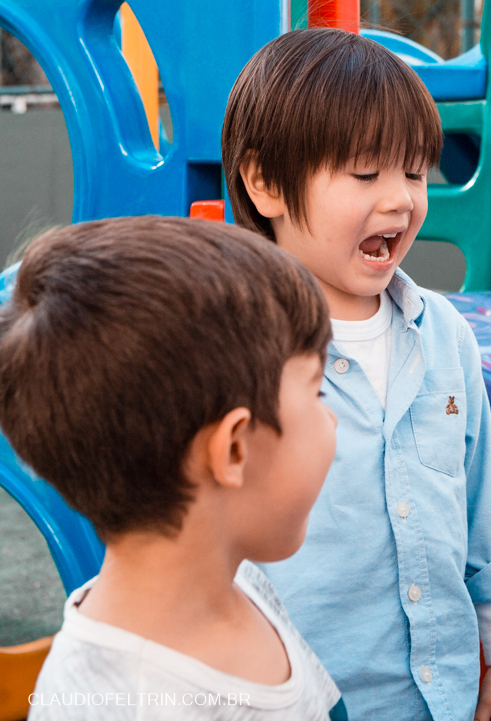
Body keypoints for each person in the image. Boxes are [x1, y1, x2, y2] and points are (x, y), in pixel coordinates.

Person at [221, 27, 491, 721]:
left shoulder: (445, 337)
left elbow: (484, 510)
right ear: (264, 182)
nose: (402, 199)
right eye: (366, 174)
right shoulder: (235, 347)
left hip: (440, 694)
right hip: (290, 699)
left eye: (413, 171)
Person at [0, 216, 345, 719]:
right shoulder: (118, 705)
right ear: (233, 450)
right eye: (317, 391)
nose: (332, 416)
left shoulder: (241, 583)